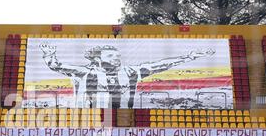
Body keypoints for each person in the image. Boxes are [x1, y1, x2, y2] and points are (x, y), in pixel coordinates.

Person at [39, 43, 215, 108]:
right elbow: (57, 66)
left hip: (125, 119)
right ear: (97, 58)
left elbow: (159, 66)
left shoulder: (130, 72)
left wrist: (188, 57)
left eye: (117, 56)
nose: (116, 58)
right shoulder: (85, 73)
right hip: (88, 121)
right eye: (110, 56)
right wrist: (49, 55)